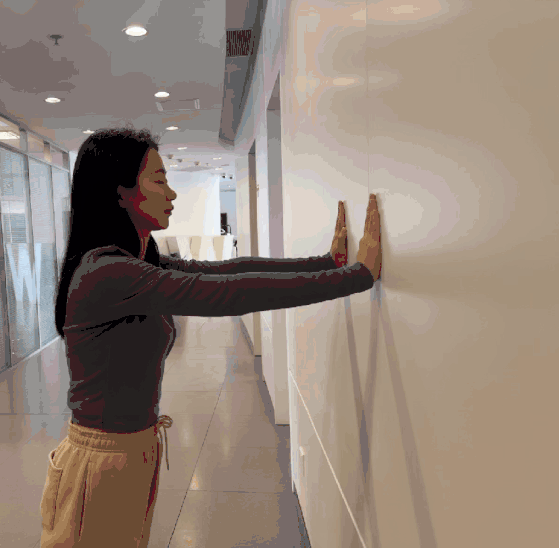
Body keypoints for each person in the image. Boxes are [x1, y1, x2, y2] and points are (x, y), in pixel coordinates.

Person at [40, 124, 382, 548]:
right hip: (101, 461)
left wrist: (326, 263)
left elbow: (228, 271)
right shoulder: (107, 271)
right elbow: (230, 294)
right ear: (121, 192)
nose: (172, 194)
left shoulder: (136, 261)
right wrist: (356, 276)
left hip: (130, 451)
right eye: (159, 181)